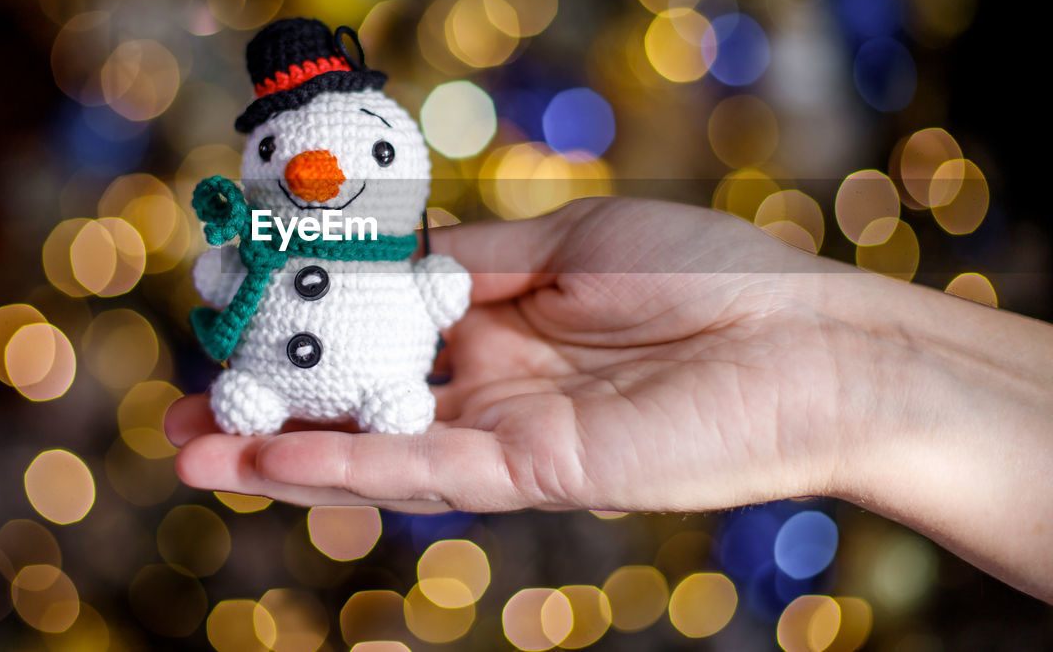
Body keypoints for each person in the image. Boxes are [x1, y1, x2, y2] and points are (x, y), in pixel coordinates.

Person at [165, 196, 1053, 603]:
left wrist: (842, 366)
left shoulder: (396, 258)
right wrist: (843, 365)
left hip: (401, 373)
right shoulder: (278, 242)